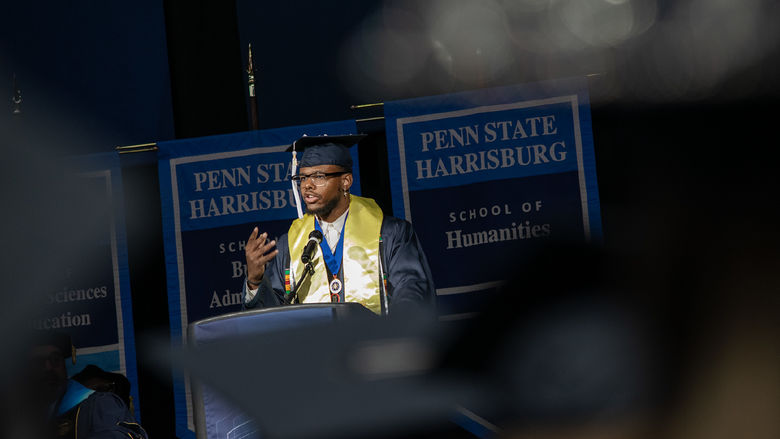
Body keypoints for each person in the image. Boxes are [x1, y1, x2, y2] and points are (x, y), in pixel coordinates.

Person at [243, 134, 435, 314]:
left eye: (318, 176)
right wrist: (254, 281)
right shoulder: (290, 246)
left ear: (346, 181)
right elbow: (272, 318)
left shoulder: (390, 234)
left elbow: (411, 292)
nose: (307, 185)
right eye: (302, 178)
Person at [24, 331, 147, 439]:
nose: (49, 367)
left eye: (55, 359)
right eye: (39, 362)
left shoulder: (98, 404)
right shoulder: (23, 414)